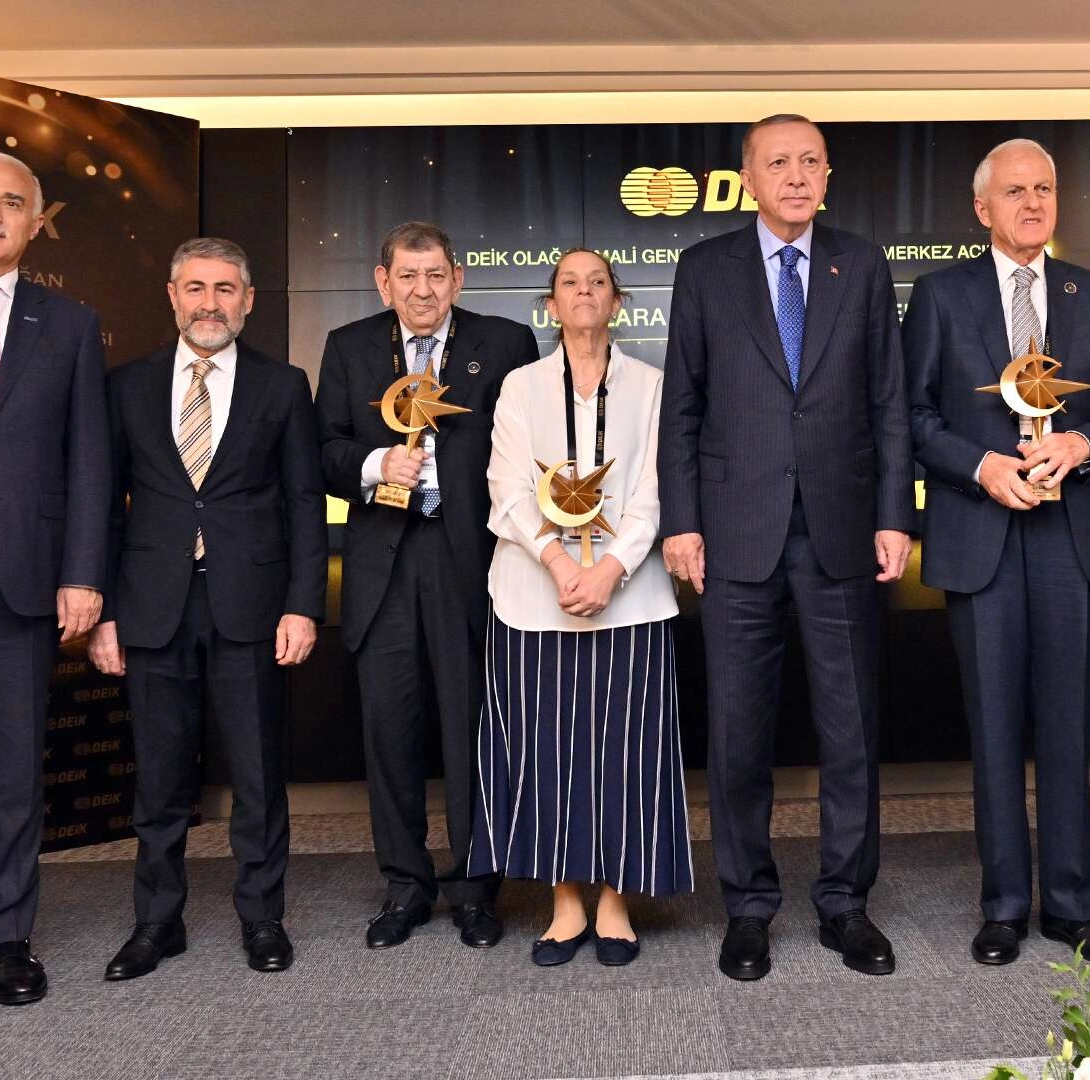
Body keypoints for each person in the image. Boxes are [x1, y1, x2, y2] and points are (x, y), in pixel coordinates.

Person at [658, 114, 915, 981]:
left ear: (828, 176)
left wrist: (895, 514)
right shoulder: (705, 268)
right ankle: (749, 906)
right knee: (738, 734)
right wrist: (682, 520)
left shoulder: (861, 263)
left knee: (852, 731)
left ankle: (845, 903)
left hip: (842, 531)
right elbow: (683, 407)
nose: (796, 176)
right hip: (736, 534)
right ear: (749, 178)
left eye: (810, 162)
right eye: (779, 163)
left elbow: (888, 401)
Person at [901, 138, 1090, 967]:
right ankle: (1004, 906)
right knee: (996, 727)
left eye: (1044, 188)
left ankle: (1073, 908)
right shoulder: (940, 295)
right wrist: (982, 466)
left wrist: (1081, 443)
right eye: (1015, 191)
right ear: (983, 208)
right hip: (984, 534)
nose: (1033, 203)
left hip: (1073, 536)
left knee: (1069, 728)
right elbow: (913, 417)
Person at [88, 237, 326, 978]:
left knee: (257, 775)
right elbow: (104, 507)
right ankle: (158, 923)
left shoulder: (282, 385)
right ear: (173, 296)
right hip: (151, 607)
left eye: (226, 289)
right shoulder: (127, 386)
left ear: (248, 300)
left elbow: (304, 503)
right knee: (160, 779)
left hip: (251, 607)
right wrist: (105, 611)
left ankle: (262, 917)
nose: (210, 303)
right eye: (196, 288)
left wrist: (303, 605)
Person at [315, 222, 537, 950]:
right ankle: (406, 887)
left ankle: (476, 889)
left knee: (474, 730)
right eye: (407, 276)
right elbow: (322, 451)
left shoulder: (503, 343)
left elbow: (531, 447)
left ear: (457, 279)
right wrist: (377, 464)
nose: (422, 290)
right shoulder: (349, 347)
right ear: (383, 282)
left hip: (469, 560)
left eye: (435, 275)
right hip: (382, 562)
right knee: (390, 733)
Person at [472, 248, 691, 968]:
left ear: (618, 302)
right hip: (535, 596)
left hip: (630, 598)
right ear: (551, 304)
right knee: (546, 753)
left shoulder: (654, 386)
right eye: (570, 282)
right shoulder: (520, 386)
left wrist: (611, 569)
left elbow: (659, 488)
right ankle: (565, 903)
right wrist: (564, 564)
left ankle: (617, 902)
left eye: (598, 281)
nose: (585, 291)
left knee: (626, 753)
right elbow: (505, 488)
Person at [0, 151, 108, 1005]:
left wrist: (83, 572)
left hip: (24, 575)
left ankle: (6, 937)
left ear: (36, 223)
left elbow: (89, 459)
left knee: (12, 769)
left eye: (12, 203)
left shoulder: (70, 322)